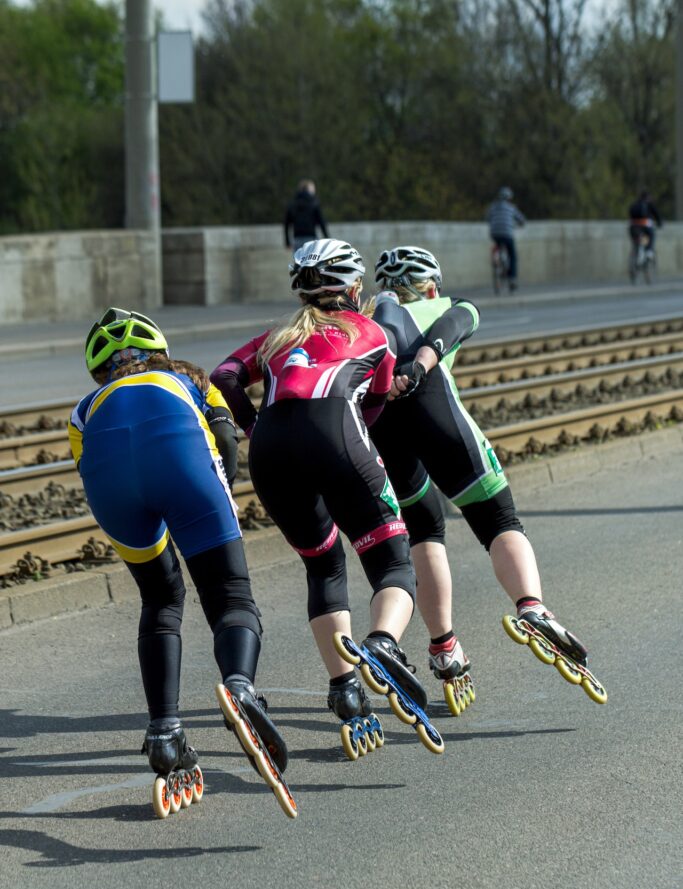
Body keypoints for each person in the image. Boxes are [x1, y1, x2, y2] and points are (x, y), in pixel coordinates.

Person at [68, 307, 290, 812]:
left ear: (100, 371)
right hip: (183, 463)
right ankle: (240, 686)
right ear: (159, 351)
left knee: (161, 598)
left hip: (111, 489)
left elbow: (94, 466)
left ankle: (164, 731)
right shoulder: (187, 377)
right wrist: (220, 494)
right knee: (229, 593)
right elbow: (227, 437)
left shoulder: (84, 408)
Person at [210, 238, 429, 740]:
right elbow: (375, 402)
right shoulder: (373, 332)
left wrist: (252, 426)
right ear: (353, 287)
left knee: (324, 563)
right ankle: (384, 644)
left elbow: (223, 375)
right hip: (336, 433)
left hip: (271, 449)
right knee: (392, 562)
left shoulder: (276, 337)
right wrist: (350, 447)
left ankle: (345, 688)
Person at [367, 245, 590, 702]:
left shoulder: (366, 320)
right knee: (499, 521)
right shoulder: (442, 303)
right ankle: (532, 608)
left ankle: (445, 650)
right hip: (434, 411)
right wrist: (423, 361)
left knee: (425, 532)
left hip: (384, 431)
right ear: (430, 285)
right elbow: (459, 320)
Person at [486, 186, 525, 291]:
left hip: (495, 234)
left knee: (497, 245)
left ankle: (496, 261)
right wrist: (518, 224)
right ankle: (512, 279)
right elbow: (522, 220)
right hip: (507, 234)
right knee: (512, 255)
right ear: (509, 198)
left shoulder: (493, 207)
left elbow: (487, 217)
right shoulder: (511, 207)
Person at [284, 179, 329, 251]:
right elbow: (322, 222)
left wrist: (287, 242)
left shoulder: (292, 204)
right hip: (311, 238)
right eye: (313, 188)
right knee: (312, 261)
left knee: (299, 261)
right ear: (308, 189)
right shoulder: (314, 203)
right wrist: (327, 238)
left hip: (297, 238)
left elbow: (286, 224)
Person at [628, 189, 662, 254]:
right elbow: (657, 215)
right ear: (648, 197)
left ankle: (635, 251)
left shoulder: (635, 204)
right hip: (645, 226)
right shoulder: (649, 204)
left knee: (636, 240)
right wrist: (660, 223)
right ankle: (649, 251)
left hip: (634, 227)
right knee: (651, 236)